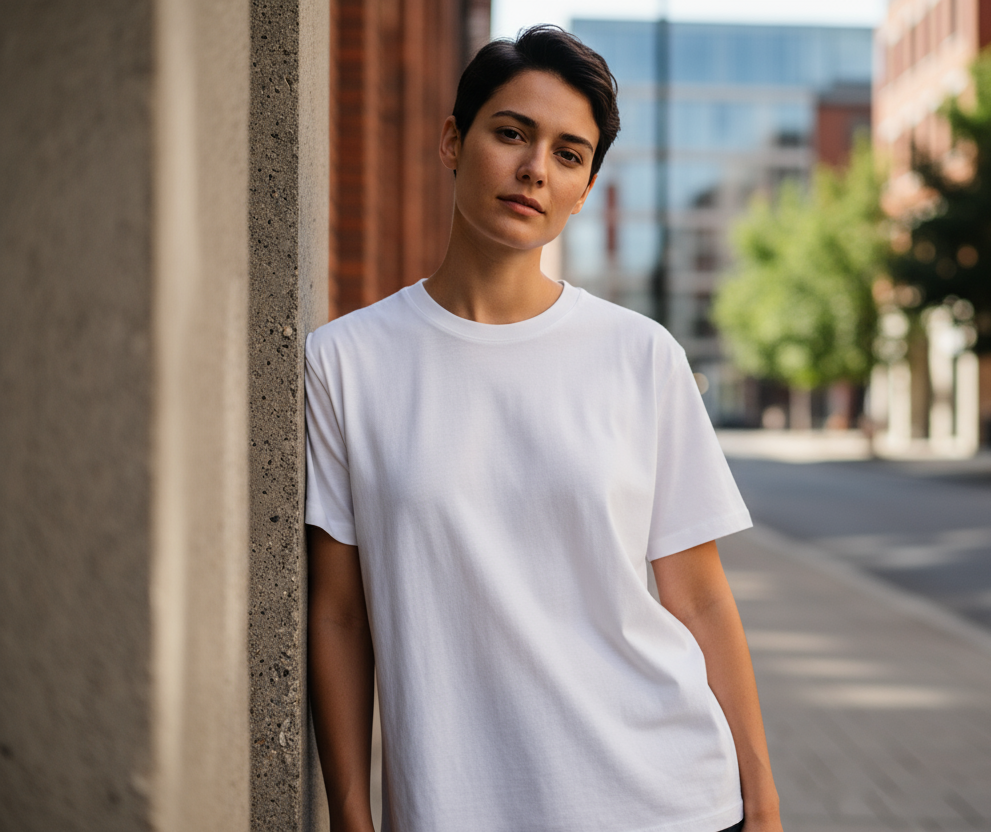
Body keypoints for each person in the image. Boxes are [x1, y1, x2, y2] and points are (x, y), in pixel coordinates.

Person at [305, 25, 782, 832]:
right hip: (456, 809)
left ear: (585, 189)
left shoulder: (641, 356)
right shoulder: (347, 361)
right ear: (453, 141)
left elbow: (699, 597)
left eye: (569, 155)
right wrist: (352, 819)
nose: (535, 169)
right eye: (511, 133)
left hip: (668, 802)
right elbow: (340, 615)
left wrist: (763, 806)